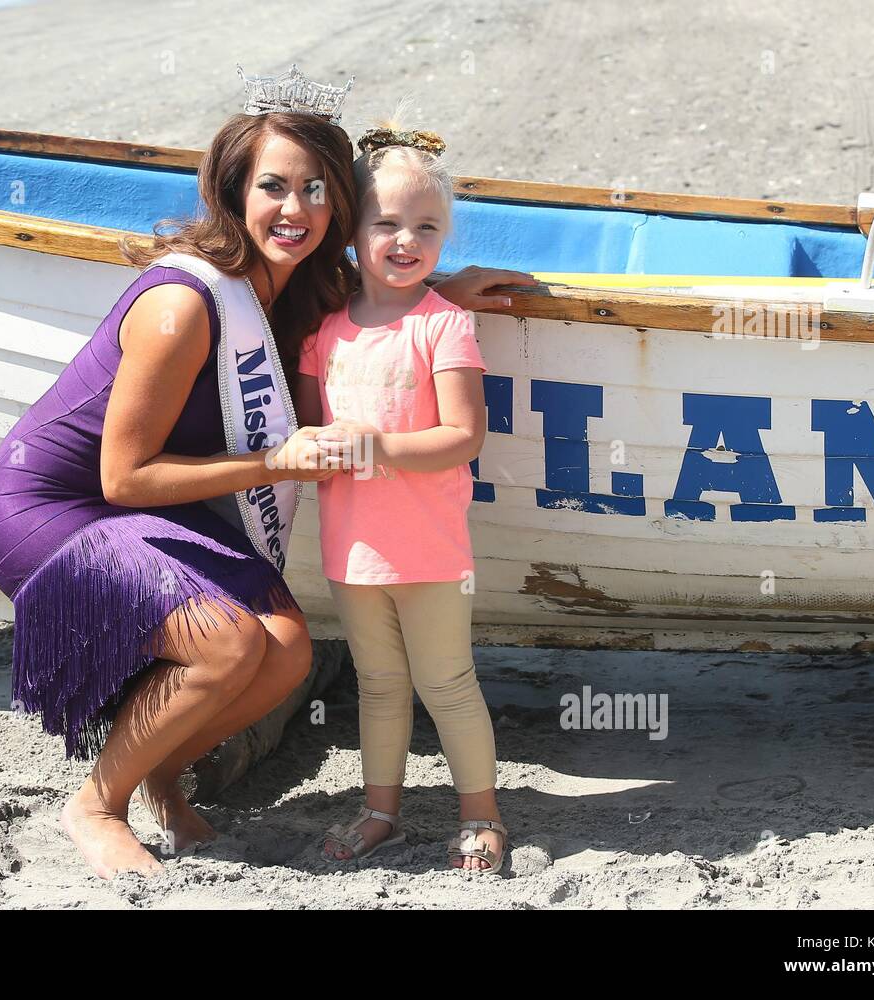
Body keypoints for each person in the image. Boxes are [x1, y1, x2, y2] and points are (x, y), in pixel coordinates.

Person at [0, 70, 536, 880]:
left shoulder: (300, 293)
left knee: (285, 653)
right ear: (234, 189)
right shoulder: (185, 305)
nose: (295, 209)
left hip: (162, 509)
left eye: (316, 189)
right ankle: (98, 803)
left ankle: (163, 777)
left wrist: (443, 287)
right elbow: (123, 478)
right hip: (60, 510)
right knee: (230, 644)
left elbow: (374, 309)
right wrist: (276, 462)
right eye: (273, 186)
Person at [298, 120, 507, 873]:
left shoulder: (444, 325)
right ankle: (379, 808)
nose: (405, 240)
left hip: (429, 549)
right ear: (352, 231)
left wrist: (371, 446)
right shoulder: (325, 333)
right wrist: (315, 450)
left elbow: (463, 436)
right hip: (351, 548)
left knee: (448, 682)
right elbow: (307, 431)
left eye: (427, 227)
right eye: (385, 222)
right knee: (380, 686)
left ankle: (481, 815)